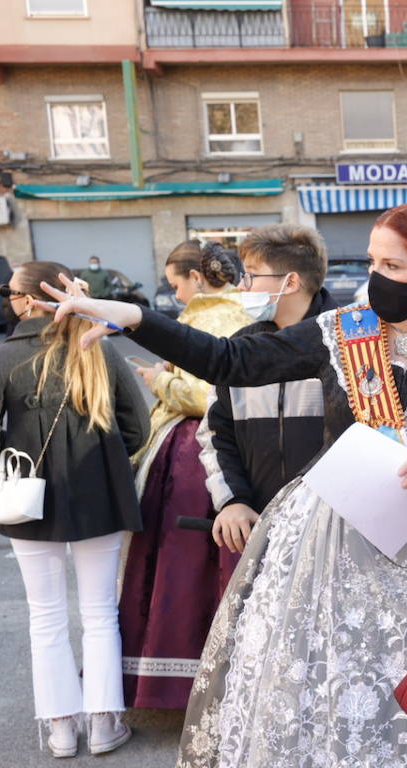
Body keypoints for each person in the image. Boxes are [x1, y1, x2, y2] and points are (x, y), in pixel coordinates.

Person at [41, 202, 407, 768]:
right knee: (318, 717)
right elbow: (231, 361)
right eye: (371, 263)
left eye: (393, 268)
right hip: (332, 557)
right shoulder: (346, 333)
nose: (376, 280)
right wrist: (131, 318)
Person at [0, 262, 149, 757]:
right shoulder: (98, 347)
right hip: (99, 490)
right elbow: (138, 427)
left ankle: (61, 728)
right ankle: (104, 722)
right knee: (100, 611)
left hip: (28, 494)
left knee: (45, 615)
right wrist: (103, 458)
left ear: (24, 300)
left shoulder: (5, 356)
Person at [119, 239, 251, 709]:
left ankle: (177, 681)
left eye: (176, 284)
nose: (175, 295)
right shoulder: (244, 311)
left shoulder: (206, 318)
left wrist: (160, 381)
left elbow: (203, 398)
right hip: (229, 454)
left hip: (193, 457)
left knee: (181, 565)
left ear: (197, 278)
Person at [197, 224, 338, 595]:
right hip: (257, 532)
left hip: (335, 537)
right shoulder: (241, 349)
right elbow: (215, 434)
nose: (242, 286)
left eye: (252, 276)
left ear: (290, 282)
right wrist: (233, 501)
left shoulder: (348, 343)